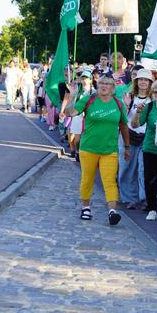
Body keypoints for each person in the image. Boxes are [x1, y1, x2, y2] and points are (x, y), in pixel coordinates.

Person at [63, 75, 130, 225]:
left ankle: (112, 211)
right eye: (101, 83)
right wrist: (72, 96)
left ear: (113, 89)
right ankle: (85, 207)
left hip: (110, 149)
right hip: (89, 148)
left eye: (107, 84)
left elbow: (124, 126)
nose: (104, 86)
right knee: (87, 179)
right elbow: (69, 113)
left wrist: (127, 146)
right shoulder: (89, 100)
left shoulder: (118, 104)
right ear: (97, 85)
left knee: (110, 180)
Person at [133, 80, 157, 221]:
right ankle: (152, 209)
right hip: (150, 147)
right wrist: (137, 113)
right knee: (150, 179)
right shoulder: (149, 107)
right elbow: (136, 124)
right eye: (154, 92)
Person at [119, 69, 153, 210]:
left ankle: (144, 198)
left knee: (143, 169)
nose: (143, 82)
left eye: (146, 80)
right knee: (127, 168)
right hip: (128, 136)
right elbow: (122, 118)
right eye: (141, 79)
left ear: (150, 82)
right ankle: (129, 198)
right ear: (136, 81)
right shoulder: (129, 97)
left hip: (146, 137)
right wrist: (126, 105)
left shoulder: (153, 98)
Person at [61, 70, 96, 160]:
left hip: (89, 119)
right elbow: (70, 107)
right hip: (78, 117)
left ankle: (85, 154)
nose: (84, 81)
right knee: (77, 139)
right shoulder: (77, 91)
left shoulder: (95, 92)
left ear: (91, 80)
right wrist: (72, 95)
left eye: (86, 79)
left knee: (87, 138)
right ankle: (77, 152)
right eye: (83, 78)